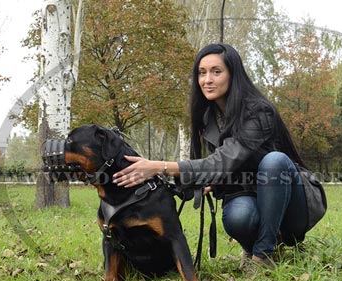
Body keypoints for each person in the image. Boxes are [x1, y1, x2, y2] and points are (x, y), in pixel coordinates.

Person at [113, 43, 311, 269]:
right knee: (237, 217)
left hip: (291, 202)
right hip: (250, 194)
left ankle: (263, 256)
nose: (207, 79)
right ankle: (256, 244)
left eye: (216, 72)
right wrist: (208, 183)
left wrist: (158, 166)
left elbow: (222, 161)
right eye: (202, 72)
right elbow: (223, 168)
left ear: (233, 75)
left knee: (274, 161)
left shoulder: (259, 111)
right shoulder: (208, 118)